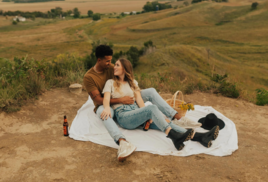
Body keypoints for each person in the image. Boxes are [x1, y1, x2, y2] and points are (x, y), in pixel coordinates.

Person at [83, 45, 219, 161]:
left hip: (132, 107)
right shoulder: (92, 78)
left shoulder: (121, 75)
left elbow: (136, 92)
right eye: (108, 62)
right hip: (111, 106)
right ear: (99, 60)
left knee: (158, 108)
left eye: (114, 63)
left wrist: (151, 115)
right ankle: (123, 142)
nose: (111, 65)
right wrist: (116, 102)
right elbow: (100, 99)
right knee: (105, 112)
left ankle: (198, 135)